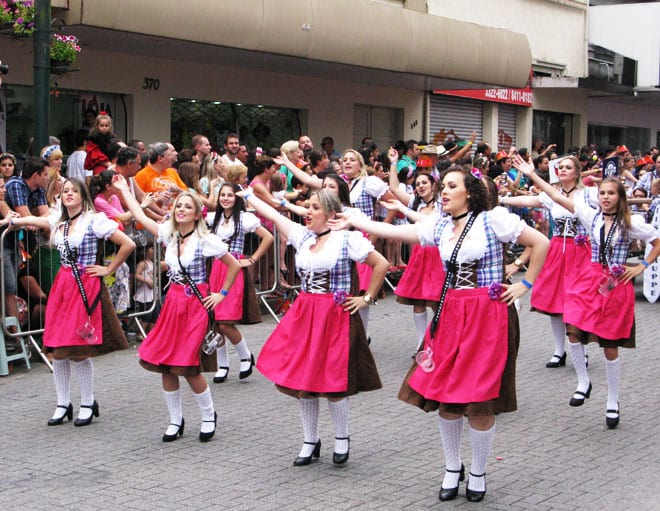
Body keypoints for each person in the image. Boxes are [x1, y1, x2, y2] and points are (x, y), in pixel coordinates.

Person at [331, 165, 549, 502]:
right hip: (451, 313)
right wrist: (355, 221)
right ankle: (451, 466)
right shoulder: (441, 225)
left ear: (469, 192)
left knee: (480, 400)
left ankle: (478, 470)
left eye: (451, 186)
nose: (443, 191)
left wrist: (525, 285)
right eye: (442, 186)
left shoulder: (493, 219)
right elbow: (398, 234)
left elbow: (541, 242)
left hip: (487, 314)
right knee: (446, 395)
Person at [241, 188, 388, 466]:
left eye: (315, 207)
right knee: (302, 378)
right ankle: (310, 440)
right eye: (307, 206)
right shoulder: (302, 236)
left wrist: (366, 298)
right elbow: (272, 213)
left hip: (334, 315)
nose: (308, 211)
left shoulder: (348, 239)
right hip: (306, 314)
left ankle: (342, 438)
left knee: (333, 378)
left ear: (331, 214)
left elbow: (380, 263)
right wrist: (247, 193)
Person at [517, 162, 660, 429]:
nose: (605, 198)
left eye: (611, 194)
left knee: (609, 345)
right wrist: (532, 175)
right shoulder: (590, 215)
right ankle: (583, 381)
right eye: (602, 193)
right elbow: (557, 196)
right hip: (590, 279)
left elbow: (657, 241)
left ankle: (613, 400)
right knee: (573, 328)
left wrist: (643, 265)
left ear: (620, 197)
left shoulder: (632, 224)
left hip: (615, 283)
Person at [113, 175, 241, 443]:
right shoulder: (168, 234)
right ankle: (175, 420)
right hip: (173, 302)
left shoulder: (206, 240)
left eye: (186, 207)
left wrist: (222, 294)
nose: (180, 210)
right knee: (165, 365)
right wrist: (124, 189)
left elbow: (234, 265)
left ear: (196, 214)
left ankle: (208, 416)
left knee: (188, 365)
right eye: (178, 206)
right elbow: (139, 214)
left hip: (196, 304)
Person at [2, 178, 135, 426]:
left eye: (74, 191)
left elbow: (128, 243)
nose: (69, 194)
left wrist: (108, 269)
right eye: (65, 191)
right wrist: (12, 221)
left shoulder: (93, 220)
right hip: (63, 286)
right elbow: (34, 220)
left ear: (83, 195)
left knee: (77, 347)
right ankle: (63, 403)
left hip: (84, 284)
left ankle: (87, 401)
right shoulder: (59, 221)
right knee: (57, 346)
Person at [501, 155, 596, 368]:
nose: (562, 170)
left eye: (568, 167)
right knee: (555, 302)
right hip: (556, 251)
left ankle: (582, 349)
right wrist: (500, 200)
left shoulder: (586, 195)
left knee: (577, 302)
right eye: (560, 167)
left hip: (579, 251)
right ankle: (558, 350)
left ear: (577, 172)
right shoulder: (551, 195)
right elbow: (528, 200)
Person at [209, 183, 273, 383]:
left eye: (230, 195)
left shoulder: (245, 219)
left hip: (234, 268)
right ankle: (223, 364)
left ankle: (245, 355)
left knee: (225, 321)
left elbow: (268, 237)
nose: (226, 198)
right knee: (216, 319)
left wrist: (252, 259)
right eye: (222, 195)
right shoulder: (212, 218)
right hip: (215, 269)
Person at [382, 147, 443, 352]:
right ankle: (421, 341)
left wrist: (404, 210)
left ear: (434, 184)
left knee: (435, 300)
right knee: (418, 300)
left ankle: (436, 339)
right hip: (419, 255)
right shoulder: (414, 202)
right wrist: (393, 163)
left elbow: (432, 223)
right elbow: (394, 188)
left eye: (425, 182)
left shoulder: (443, 204)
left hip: (437, 256)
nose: (420, 186)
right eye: (417, 184)